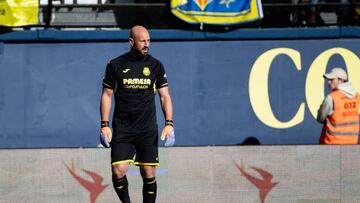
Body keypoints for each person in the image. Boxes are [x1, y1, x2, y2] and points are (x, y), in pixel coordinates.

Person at [99, 25, 175, 203]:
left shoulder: (156, 66)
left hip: (147, 130)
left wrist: (169, 123)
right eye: (142, 41)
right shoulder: (115, 65)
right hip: (123, 129)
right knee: (118, 171)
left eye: (149, 41)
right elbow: (106, 95)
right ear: (131, 41)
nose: (147, 44)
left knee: (148, 173)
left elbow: (165, 97)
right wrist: (104, 125)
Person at [317, 67, 360, 144]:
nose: (328, 82)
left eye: (332, 79)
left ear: (341, 80)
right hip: (352, 144)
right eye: (328, 80)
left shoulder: (332, 98)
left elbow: (320, 118)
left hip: (332, 144)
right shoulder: (357, 96)